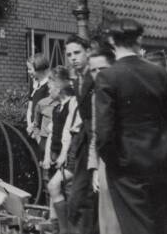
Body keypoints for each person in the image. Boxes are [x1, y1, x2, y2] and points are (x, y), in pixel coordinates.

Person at [95, 18, 167, 234]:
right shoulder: (159, 73)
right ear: (139, 39)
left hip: (128, 169)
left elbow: (104, 134)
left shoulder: (107, 77)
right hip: (164, 165)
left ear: (111, 41)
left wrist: (117, 163)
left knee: (138, 228)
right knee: (166, 226)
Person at [64, 36, 98, 234]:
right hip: (83, 142)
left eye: (77, 53)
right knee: (79, 199)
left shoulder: (95, 77)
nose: (73, 58)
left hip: (96, 141)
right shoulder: (78, 79)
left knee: (83, 198)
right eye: (69, 54)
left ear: (88, 52)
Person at [86, 47, 120, 234]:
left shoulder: (122, 92)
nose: (98, 74)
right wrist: (95, 168)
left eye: (103, 69)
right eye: (93, 70)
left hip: (126, 162)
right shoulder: (95, 97)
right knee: (107, 219)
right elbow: (96, 134)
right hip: (105, 162)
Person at [45, 66, 77, 234]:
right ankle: (55, 229)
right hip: (55, 156)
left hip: (67, 156)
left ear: (59, 87)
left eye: (50, 86)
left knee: (54, 186)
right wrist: (47, 156)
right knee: (53, 194)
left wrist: (64, 154)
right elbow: (52, 134)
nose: (49, 90)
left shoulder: (71, 103)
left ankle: (65, 230)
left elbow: (69, 133)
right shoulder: (57, 108)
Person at [27, 53, 51, 146]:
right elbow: (30, 108)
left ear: (39, 68)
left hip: (43, 130)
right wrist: (29, 125)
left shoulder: (49, 86)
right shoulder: (34, 85)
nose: (28, 72)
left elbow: (47, 111)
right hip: (32, 130)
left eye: (30, 69)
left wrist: (35, 128)